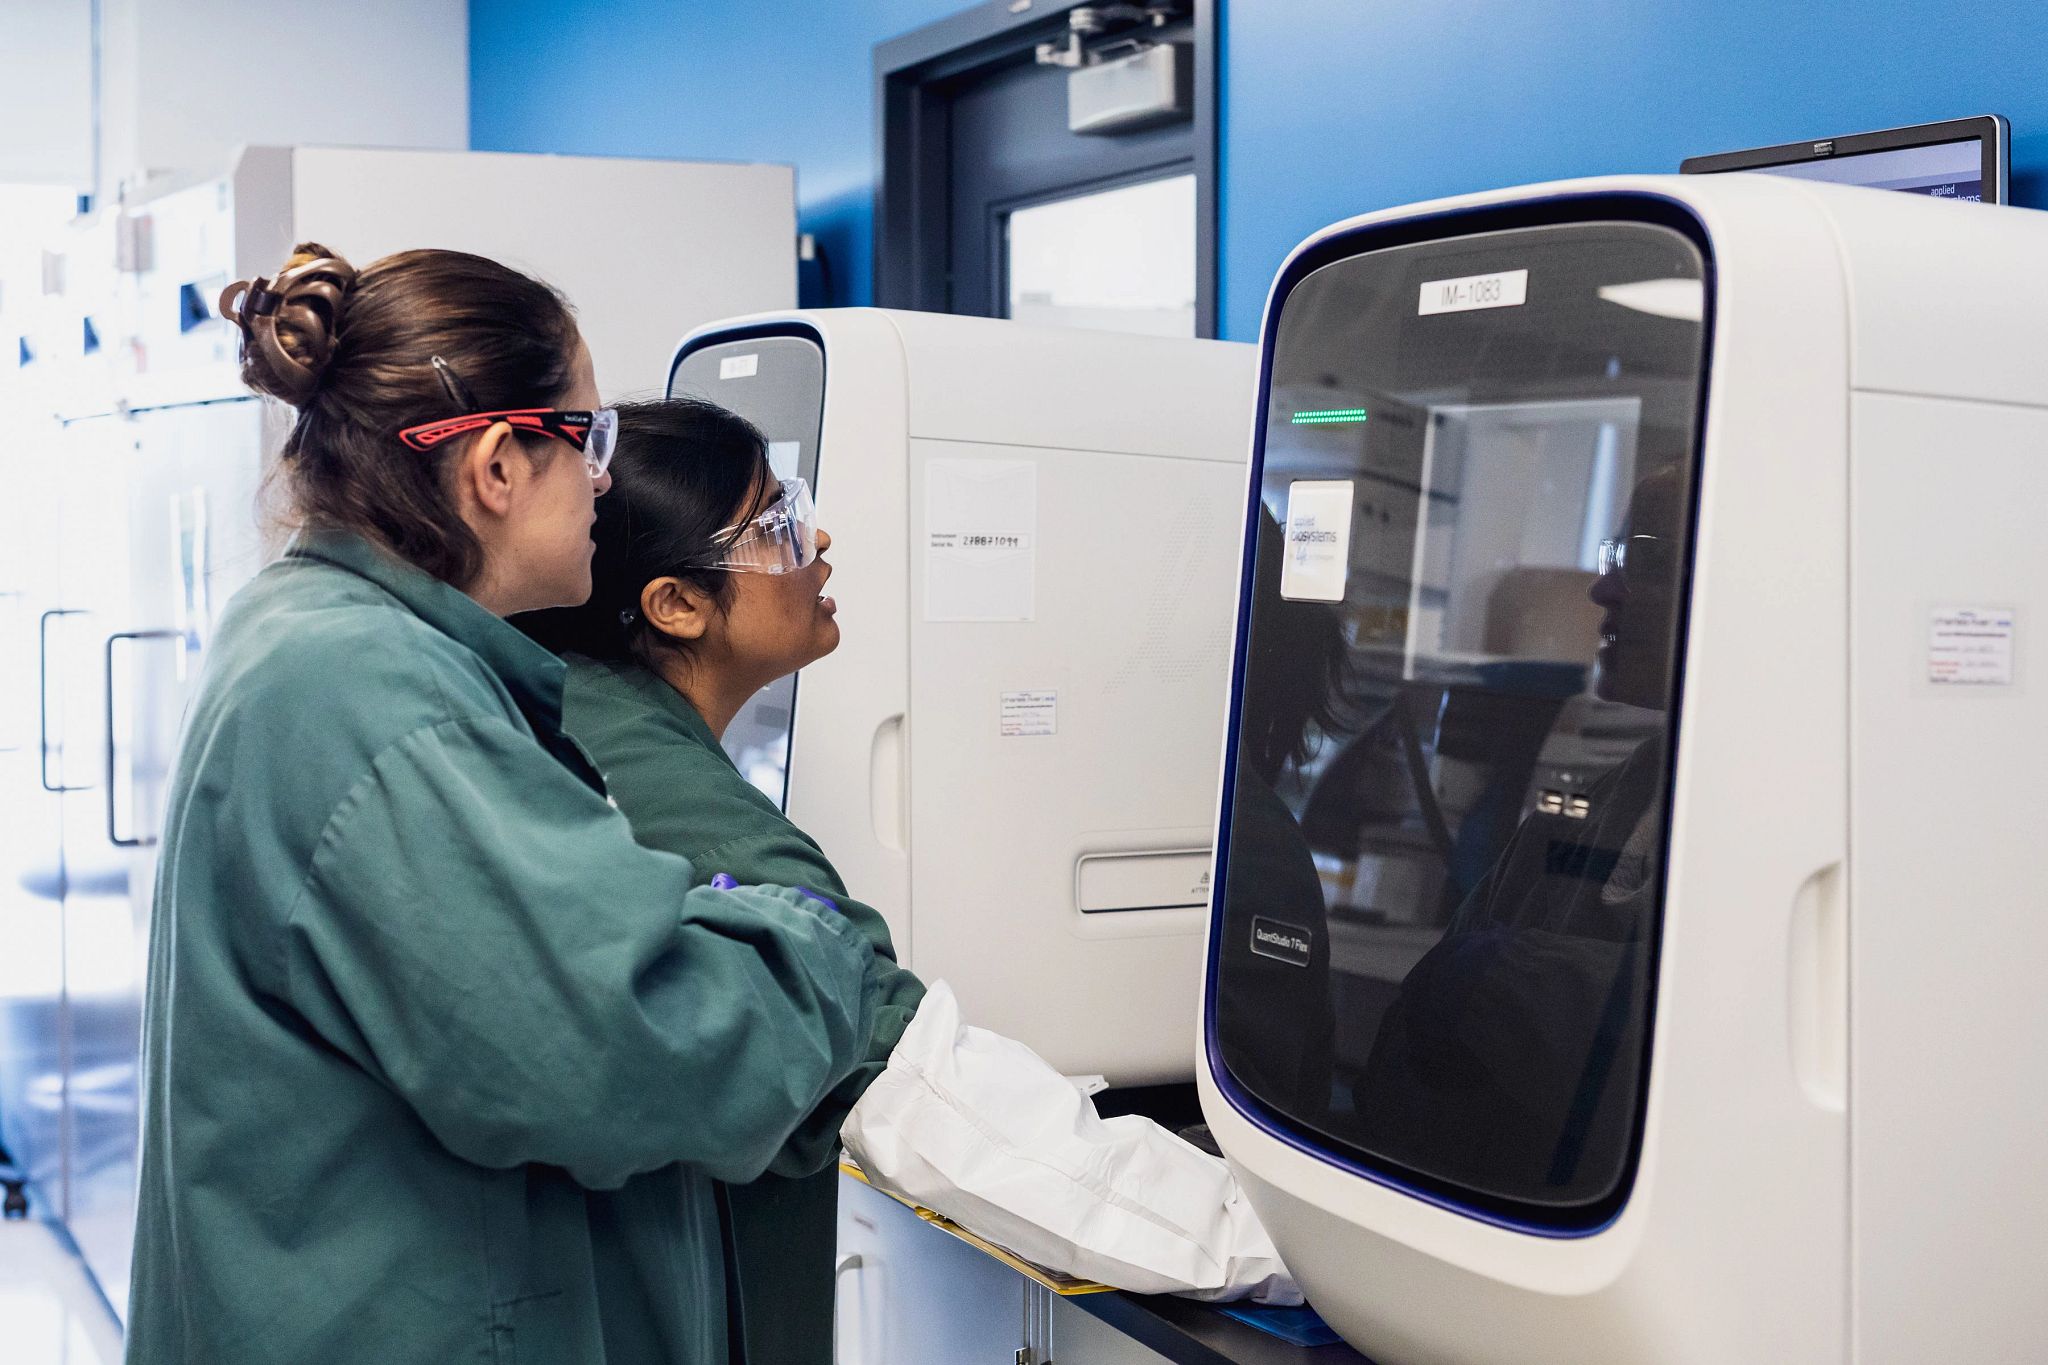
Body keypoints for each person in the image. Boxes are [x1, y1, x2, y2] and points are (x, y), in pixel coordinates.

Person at [130, 245, 893, 1365]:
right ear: (496, 467)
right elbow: (624, 1046)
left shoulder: (320, 632)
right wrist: (814, 942)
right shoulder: (380, 698)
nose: (603, 482)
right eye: (590, 441)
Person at [517, 398, 926, 1364]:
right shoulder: (670, 792)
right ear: (676, 604)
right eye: (778, 525)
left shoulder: (587, 702)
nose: (817, 540)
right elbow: (886, 1039)